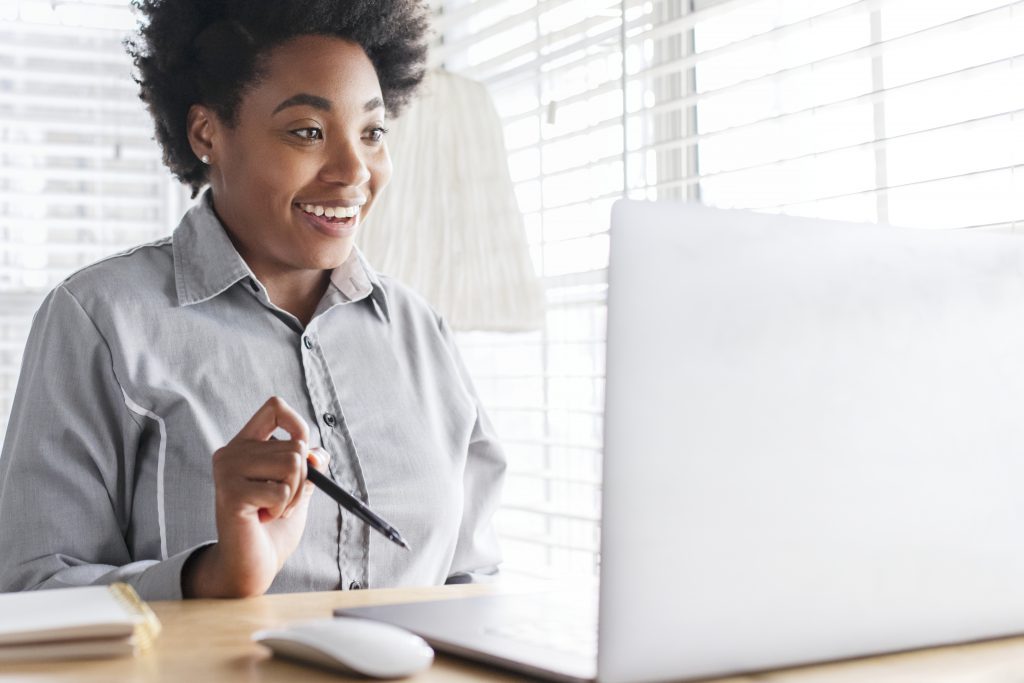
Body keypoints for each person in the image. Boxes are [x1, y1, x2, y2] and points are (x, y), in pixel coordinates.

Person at [0, 0, 506, 600]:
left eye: (372, 133)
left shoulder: (420, 330)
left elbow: (472, 581)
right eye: (307, 132)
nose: (353, 170)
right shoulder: (101, 319)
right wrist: (210, 576)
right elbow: (32, 590)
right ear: (207, 133)